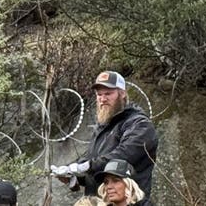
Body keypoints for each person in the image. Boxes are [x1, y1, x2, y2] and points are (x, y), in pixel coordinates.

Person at [52, 70, 158, 205]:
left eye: (108, 93)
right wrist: (72, 175)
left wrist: (85, 167)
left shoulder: (139, 125)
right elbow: (96, 167)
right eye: (99, 94)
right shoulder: (104, 128)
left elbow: (122, 157)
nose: (103, 99)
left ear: (123, 93)